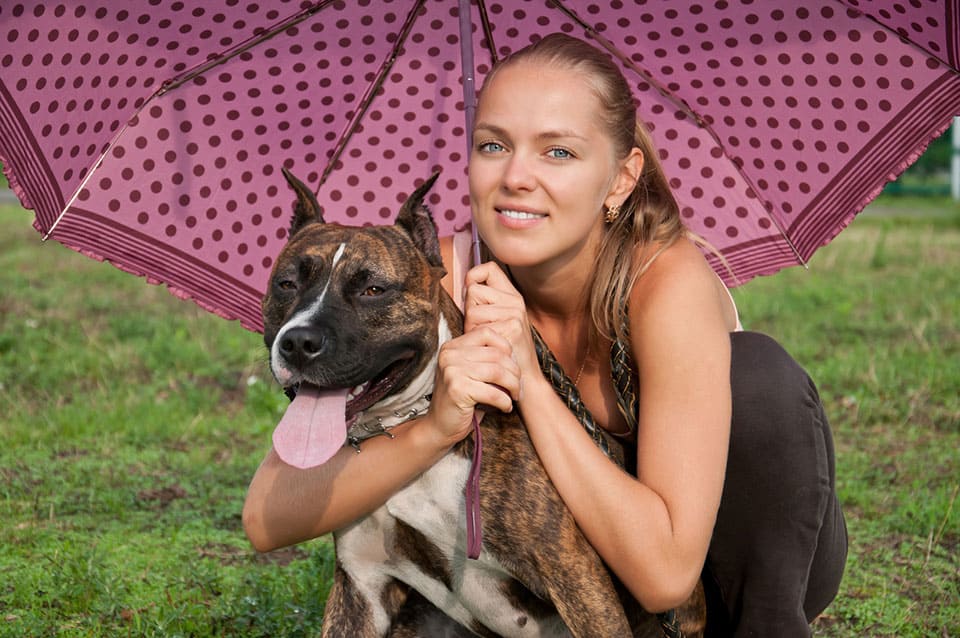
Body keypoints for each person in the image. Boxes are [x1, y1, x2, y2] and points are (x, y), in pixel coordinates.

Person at [243, 33, 847, 637]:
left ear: (620, 178)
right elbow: (268, 520)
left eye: (557, 152)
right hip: (554, 596)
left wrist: (527, 378)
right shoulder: (437, 281)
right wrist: (432, 428)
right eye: (493, 145)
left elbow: (666, 576)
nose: (516, 177)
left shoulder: (664, 281)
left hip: (719, 563)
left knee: (759, 376)